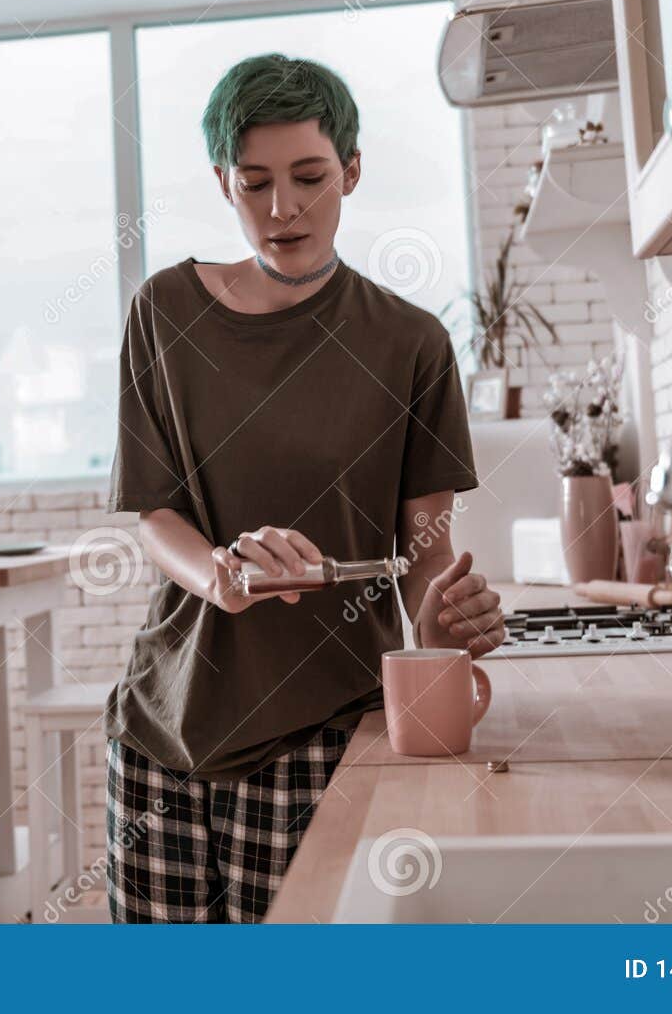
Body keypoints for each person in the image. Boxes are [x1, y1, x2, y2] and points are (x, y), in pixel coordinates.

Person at [104, 52, 507, 922]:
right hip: (161, 730)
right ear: (224, 183)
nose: (282, 208)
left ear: (352, 171)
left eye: (309, 177)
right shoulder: (164, 312)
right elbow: (154, 509)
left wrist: (446, 625)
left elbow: (424, 554)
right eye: (254, 183)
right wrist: (217, 573)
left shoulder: (411, 344)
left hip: (322, 733)